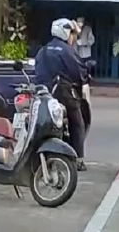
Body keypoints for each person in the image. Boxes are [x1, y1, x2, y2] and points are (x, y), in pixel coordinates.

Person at [34, 18, 89, 170]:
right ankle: (78, 159)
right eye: (72, 33)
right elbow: (77, 72)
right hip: (62, 93)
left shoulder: (43, 50)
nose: (73, 37)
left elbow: (37, 71)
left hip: (42, 94)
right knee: (77, 122)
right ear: (65, 33)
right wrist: (84, 77)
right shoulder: (66, 51)